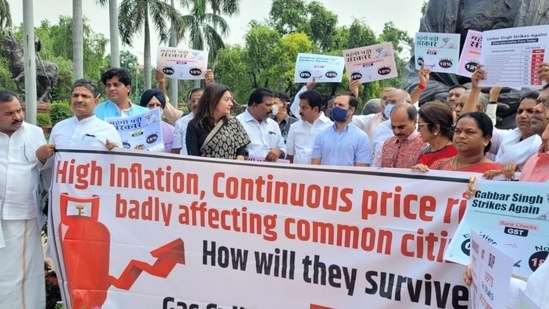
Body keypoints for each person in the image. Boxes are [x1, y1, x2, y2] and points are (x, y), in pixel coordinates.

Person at [0, 90, 46, 308]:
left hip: (24, 215)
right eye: (9, 113)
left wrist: (43, 159)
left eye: (19, 110)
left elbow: (46, 170)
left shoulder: (35, 133)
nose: (17, 116)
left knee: (25, 272)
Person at [36, 80, 121, 182]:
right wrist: (41, 157)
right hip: (63, 193)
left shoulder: (108, 130)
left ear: (96, 102)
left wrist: (116, 152)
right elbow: (50, 165)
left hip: (95, 193)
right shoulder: (59, 127)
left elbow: (120, 168)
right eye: (75, 95)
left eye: (85, 96)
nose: (79, 100)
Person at [186, 83, 250, 159]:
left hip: (231, 169)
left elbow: (242, 152)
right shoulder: (194, 125)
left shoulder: (234, 123)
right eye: (226, 100)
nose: (231, 104)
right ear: (213, 100)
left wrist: (236, 165)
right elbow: (193, 158)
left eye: (231, 100)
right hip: (204, 169)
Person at [426, 112, 503, 172]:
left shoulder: (494, 172)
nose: (461, 136)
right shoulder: (439, 165)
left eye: (469, 132)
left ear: (486, 139)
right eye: (457, 131)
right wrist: (419, 175)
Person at [311, 92, 370, 166]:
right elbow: (315, 165)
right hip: (324, 177)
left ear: (351, 110)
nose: (336, 107)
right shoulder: (321, 135)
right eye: (335, 104)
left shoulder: (361, 137)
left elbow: (361, 169)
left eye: (341, 105)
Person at [236, 87, 286, 162]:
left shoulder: (273, 124)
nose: (271, 109)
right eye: (268, 105)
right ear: (255, 105)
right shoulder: (237, 123)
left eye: (272, 105)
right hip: (246, 170)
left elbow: (283, 149)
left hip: (270, 171)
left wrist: (279, 152)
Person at [286, 89, 332, 164]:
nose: (300, 111)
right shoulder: (294, 127)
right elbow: (289, 155)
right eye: (300, 107)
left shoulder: (330, 127)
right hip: (298, 173)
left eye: (304, 108)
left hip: (322, 173)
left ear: (315, 109)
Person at [380, 103, 426, 168]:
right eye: (393, 127)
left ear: (414, 122)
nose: (396, 132)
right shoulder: (387, 144)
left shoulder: (425, 144)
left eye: (401, 127)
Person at [414, 101, 457, 167]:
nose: (418, 130)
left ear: (436, 128)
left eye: (421, 126)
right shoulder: (424, 151)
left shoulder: (457, 152)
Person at [139, 88, 175, 153]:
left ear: (162, 108)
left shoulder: (172, 131)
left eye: (158, 105)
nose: (155, 108)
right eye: (151, 105)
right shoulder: (136, 129)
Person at [172, 88, 204, 155]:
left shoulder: (214, 121)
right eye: (193, 101)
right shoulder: (180, 123)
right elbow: (176, 150)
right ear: (189, 103)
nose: (196, 104)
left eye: (200, 100)